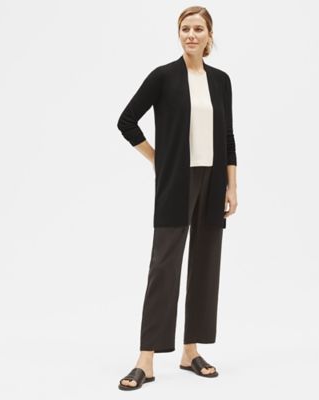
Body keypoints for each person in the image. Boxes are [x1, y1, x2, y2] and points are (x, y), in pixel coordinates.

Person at [116, 6, 238, 391]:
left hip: (213, 181)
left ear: (209, 35)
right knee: (164, 266)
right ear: (179, 33)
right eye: (185, 28)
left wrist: (232, 186)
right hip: (176, 182)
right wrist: (159, 159)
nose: (191, 35)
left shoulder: (221, 81)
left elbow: (228, 136)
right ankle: (146, 358)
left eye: (198, 29)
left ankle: (191, 351)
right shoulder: (164, 76)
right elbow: (126, 121)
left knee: (205, 263)